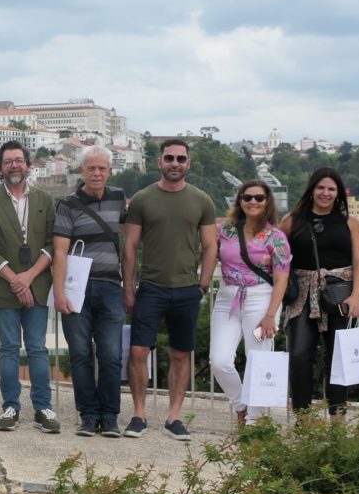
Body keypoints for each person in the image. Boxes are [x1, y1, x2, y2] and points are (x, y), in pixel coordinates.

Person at [121, 139, 219, 441]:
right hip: (151, 287)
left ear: (188, 163)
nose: (175, 163)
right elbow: (130, 247)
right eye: (169, 158)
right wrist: (129, 287)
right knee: (138, 351)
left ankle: (174, 416)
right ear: (159, 162)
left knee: (180, 354)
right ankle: (139, 414)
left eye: (180, 159)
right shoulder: (141, 199)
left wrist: (203, 284)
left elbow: (210, 246)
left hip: (187, 289)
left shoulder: (202, 201)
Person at [0, 140, 59, 433]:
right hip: (4, 288)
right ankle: (10, 407)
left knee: (37, 348)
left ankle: (43, 408)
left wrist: (29, 277)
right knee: (8, 348)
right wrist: (15, 279)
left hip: (36, 285)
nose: (14, 165)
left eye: (19, 160)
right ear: (0, 167)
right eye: (8, 161)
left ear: (28, 165)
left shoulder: (45, 200)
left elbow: (52, 243)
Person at [51, 145, 128, 437]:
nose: (97, 173)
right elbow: (60, 251)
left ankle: (110, 416)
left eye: (102, 169)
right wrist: (59, 293)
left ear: (110, 171)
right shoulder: (68, 204)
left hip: (110, 285)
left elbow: (131, 239)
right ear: (81, 170)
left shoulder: (119, 198)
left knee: (110, 354)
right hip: (76, 288)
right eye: (91, 168)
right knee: (81, 353)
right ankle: (88, 415)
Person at [280, 167, 359, 418]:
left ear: (338, 193)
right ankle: (302, 419)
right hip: (302, 295)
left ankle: (337, 419)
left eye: (331, 188)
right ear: (312, 189)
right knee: (299, 354)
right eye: (321, 188)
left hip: (340, 294)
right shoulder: (292, 220)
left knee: (338, 358)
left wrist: (357, 294)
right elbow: (277, 256)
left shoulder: (350, 223)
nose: (325, 193)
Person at [209, 179, 291, 427]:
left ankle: (256, 421)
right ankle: (242, 406)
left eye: (259, 197)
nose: (253, 202)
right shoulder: (225, 230)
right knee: (220, 361)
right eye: (247, 197)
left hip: (261, 298)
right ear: (239, 201)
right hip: (227, 297)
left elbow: (281, 279)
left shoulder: (276, 237)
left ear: (267, 202)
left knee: (259, 360)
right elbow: (208, 256)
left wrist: (270, 315)